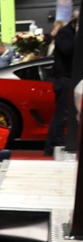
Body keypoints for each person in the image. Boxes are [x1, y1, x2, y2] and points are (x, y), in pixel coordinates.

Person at [44, 12, 78, 157]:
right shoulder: (65, 33)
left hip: (69, 78)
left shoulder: (69, 33)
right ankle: (54, 144)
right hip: (64, 79)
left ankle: (56, 143)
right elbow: (68, 51)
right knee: (62, 114)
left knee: (64, 114)